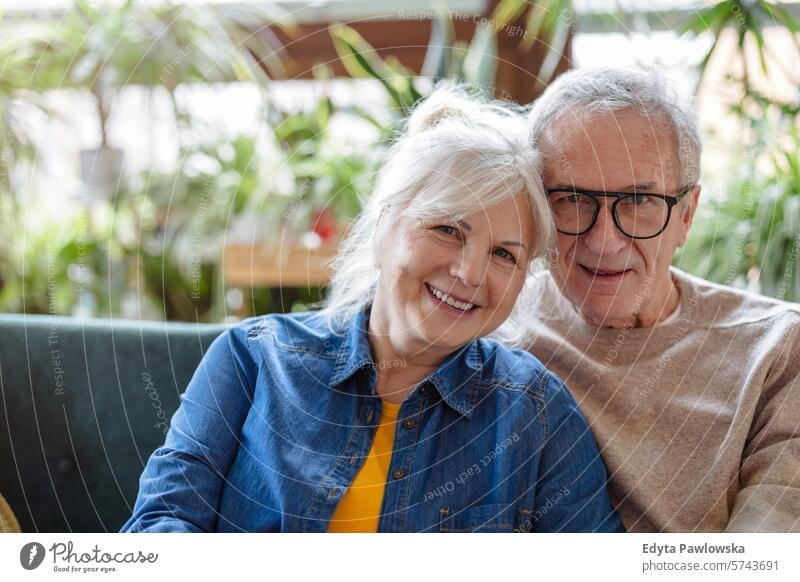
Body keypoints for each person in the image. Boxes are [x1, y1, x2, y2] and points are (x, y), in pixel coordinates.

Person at [121, 86, 622, 533]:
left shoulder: (535, 412)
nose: (471, 273)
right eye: (448, 229)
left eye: (503, 254)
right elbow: (160, 525)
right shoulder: (252, 359)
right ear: (385, 225)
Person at [524, 66, 800, 532]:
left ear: (686, 217)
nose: (604, 240)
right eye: (572, 198)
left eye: (638, 200)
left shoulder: (776, 350)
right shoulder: (486, 335)